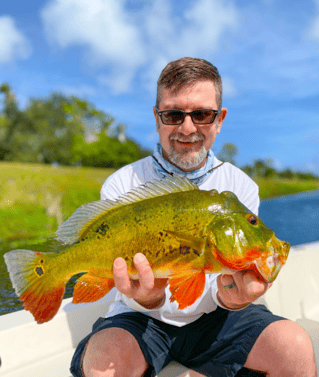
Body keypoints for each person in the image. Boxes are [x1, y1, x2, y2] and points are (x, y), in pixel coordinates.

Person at [71, 57, 316, 377]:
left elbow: (221, 285)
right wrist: (150, 296)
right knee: (104, 365)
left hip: (218, 316)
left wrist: (237, 298)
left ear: (219, 119)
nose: (187, 128)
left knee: (295, 347)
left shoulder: (240, 186)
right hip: (138, 315)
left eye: (201, 114)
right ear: (157, 119)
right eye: (174, 114)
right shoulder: (122, 183)